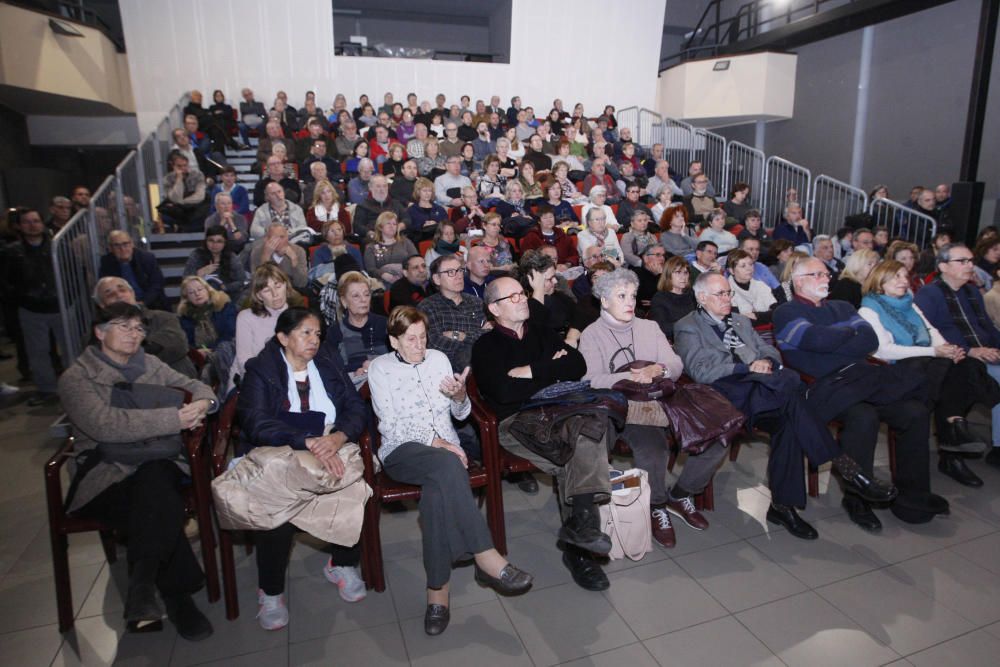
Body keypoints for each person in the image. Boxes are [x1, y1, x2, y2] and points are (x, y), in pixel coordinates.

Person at [675, 272, 896, 539]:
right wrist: (748, 367)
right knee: (792, 398)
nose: (727, 299)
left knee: (791, 422)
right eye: (720, 294)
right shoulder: (688, 326)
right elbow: (701, 371)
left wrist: (766, 362)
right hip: (727, 398)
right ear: (701, 297)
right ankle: (848, 470)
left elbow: (771, 351)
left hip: (766, 393)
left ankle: (783, 506)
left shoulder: (741, 321)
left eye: (728, 293)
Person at [367, 307, 533, 634]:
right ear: (393, 341)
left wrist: (460, 397)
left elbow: (459, 414)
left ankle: (437, 594)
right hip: (402, 451)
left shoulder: (439, 359)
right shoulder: (380, 368)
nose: (419, 345)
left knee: (436, 494)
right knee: (446, 463)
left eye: (423, 337)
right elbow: (390, 423)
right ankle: (486, 556)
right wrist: (436, 442)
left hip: (444, 456)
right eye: (410, 339)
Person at [58, 302, 217, 640]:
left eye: (139, 328)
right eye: (124, 326)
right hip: (106, 472)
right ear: (100, 332)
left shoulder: (150, 364)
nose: (134, 334)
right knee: (158, 500)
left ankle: (143, 584)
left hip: (156, 460)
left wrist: (203, 404)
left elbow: (197, 386)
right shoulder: (76, 378)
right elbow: (105, 426)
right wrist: (172, 419)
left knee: (155, 481)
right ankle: (178, 597)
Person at [775, 257, 947, 528]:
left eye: (826, 273)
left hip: (863, 380)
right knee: (866, 413)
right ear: (798, 281)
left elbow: (870, 340)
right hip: (827, 387)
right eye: (817, 274)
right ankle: (857, 498)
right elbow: (815, 341)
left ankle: (912, 499)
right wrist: (848, 334)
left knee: (915, 412)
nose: (826, 278)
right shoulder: (786, 311)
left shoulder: (842, 305)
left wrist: (836, 338)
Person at [472, 276, 617, 591]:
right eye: (512, 297)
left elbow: (577, 365)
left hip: (558, 412)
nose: (522, 298)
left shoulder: (540, 331)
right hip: (516, 422)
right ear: (494, 308)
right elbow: (504, 391)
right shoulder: (486, 346)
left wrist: (532, 371)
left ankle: (582, 532)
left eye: (522, 293)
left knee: (586, 432)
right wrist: (551, 368)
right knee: (580, 448)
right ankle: (580, 549)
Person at [236, 308, 367, 631]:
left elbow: (355, 407)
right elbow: (253, 421)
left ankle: (342, 563)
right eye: (305, 333)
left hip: (329, 443)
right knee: (277, 508)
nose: (314, 340)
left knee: (354, 489)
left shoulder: (326, 361)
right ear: (283, 337)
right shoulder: (262, 369)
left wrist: (337, 437)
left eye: (317, 334)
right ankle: (270, 591)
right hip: (280, 449)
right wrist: (304, 440)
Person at [579, 269, 730, 548]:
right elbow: (591, 379)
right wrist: (631, 377)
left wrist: (658, 368)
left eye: (633, 296)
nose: (630, 302)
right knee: (654, 450)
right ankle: (657, 505)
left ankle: (682, 493)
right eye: (621, 296)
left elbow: (675, 365)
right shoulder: (592, 335)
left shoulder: (648, 327)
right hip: (627, 407)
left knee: (717, 437)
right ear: (603, 301)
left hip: (664, 398)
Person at [859, 260, 997, 488]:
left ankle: (954, 423)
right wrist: (935, 351)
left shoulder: (909, 304)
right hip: (896, 372)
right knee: (955, 368)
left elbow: (930, 330)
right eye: (897, 277)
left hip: (925, 367)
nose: (904, 281)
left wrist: (947, 349)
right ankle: (955, 427)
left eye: (906, 276)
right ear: (880, 282)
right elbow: (884, 350)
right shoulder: (869, 309)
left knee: (966, 363)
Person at [916, 243, 1000, 470]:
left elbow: (987, 327)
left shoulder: (972, 291)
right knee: (970, 375)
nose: (970, 265)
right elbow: (928, 333)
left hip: (985, 352)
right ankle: (953, 451)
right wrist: (971, 350)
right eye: (962, 261)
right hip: (956, 356)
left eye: (971, 260)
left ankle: (992, 446)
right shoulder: (929, 293)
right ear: (943, 266)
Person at [4, 209, 64, 405]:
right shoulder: (12, 251)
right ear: (20, 226)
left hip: (59, 305)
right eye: (27, 222)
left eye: (36, 221)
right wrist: (20, 298)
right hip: (31, 308)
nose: (32, 225)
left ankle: (76, 386)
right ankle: (47, 389)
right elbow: (7, 280)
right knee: (38, 352)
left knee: (70, 348)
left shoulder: (57, 247)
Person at [92, 277, 196, 378]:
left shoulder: (163, 317)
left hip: (177, 382)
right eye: (110, 294)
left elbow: (177, 345)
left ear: (132, 293)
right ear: (102, 305)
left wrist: (126, 353)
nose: (119, 295)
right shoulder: (98, 333)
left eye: (122, 290)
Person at [419, 255, 489, 372]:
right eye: (451, 272)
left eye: (460, 270)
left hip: (482, 359)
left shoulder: (476, 302)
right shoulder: (427, 307)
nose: (459, 276)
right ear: (437, 279)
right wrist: (477, 337)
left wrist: (459, 336)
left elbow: (490, 334)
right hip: (447, 368)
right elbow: (435, 344)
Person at [231, 264, 291, 390]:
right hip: (251, 382)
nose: (275, 294)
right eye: (267, 290)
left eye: (278, 286)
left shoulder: (298, 315)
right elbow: (244, 363)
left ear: (286, 285)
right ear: (259, 296)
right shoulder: (246, 317)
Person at [333, 271, 388, 387]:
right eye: (356, 296)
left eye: (366, 294)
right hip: (353, 386)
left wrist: (374, 365)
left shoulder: (385, 324)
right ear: (344, 301)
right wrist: (355, 372)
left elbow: (399, 357)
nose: (363, 300)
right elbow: (334, 370)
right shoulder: (335, 332)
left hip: (387, 379)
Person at [99, 230, 167, 311]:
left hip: (150, 304)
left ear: (132, 244)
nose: (122, 249)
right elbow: (105, 287)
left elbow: (157, 284)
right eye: (117, 245)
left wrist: (142, 303)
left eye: (125, 244)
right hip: (121, 306)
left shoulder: (147, 258)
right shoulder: (106, 262)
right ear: (110, 248)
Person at [182, 225, 246, 302]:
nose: (215, 245)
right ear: (206, 241)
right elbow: (185, 280)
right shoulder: (196, 255)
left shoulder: (231, 257)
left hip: (227, 298)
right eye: (211, 240)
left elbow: (241, 281)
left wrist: (224, 287)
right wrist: (199, 274)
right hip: (200, 298)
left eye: (219, 241)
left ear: (225, 243)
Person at [177, 276, 236, 351]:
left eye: (200, 289)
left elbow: (231, 334)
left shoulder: (224, 306)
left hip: (226, 350)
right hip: (199, 355)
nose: (197, 294)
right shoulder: (185, 316)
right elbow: (187, 342)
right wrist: (198, 351)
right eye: (191, 292)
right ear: (186, 298)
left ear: (208, 290)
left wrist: (211, 349)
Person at [363, 211, 419, 286]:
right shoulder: (371, 247)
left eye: (394, 224)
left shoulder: (405, 242)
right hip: (384, 281)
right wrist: (382, 274)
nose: (392, 226)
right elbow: (371, 269)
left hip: (407, 278)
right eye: (388, 223)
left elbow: (416, 259)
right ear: (380, 227)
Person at [158, 153, 209, 232]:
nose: (182, 168)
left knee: (206, 201)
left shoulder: (198, 175)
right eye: (179, 166)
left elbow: (200, 196)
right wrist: (179, 179)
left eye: (185, 165)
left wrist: (181, 202)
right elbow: (174, 198)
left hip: (194, 205)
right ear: (173, 166)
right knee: (165, 211)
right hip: (178, 209)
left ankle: (184, 229)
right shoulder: (168, 179)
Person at [353, 175, 412, 242]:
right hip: (374, 239)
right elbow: (357, 226)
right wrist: (371, 233)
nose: (382, 189)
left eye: (384, 186)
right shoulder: (363, 206)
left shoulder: (396, 203)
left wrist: (398, 227)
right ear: (370, 187)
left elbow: (407, 219)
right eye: (378, 186)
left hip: (396, 237)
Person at [250, 182, 312, 246]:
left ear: (284, 192)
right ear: (267, 197)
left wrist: (288, 233)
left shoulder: (297, 209)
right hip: (270, 243)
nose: (278, 196)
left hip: (293, 242)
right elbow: (253, 231)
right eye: (273, 193)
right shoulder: (261, 210)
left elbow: (303, 227)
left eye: (279, 191)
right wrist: (270, 232)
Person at [248, 223, 308, 290]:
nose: (279, 241)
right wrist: (265, 258)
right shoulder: (257, 252)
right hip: (267, 292)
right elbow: (256, 285)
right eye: (274, 238)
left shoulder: (299, 251)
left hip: (292, 291)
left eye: (282, 237)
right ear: (266, 239)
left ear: (287, 237)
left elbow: (302, 283)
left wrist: (294, 260)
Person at [650, 256, 697, 340]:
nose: (683, 277)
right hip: (673, 342)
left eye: (685, 273)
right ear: (668, 275)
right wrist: (688, 325)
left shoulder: (692, 294)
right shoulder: (660, 298)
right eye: (678, 272)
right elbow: (662, 328)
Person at [726, 248, 777, 323]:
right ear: (731, 270)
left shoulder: (760, 285)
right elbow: (737, 322)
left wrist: (756, 316)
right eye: (743, 266)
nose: (749, 269)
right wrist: (766, 315)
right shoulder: (727, 290)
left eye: (750, 264)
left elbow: (776, 313)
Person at [309, 220, 364, 286]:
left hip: (352, 282)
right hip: (328, 283)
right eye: (332, 231)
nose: (337, 234)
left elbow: (361, 270)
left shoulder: (353, 249)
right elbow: (316, 274)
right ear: (325, 235)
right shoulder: (320, 251)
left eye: (339, 230)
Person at [204, 189, 249, 253]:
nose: (227, 206)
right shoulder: (210, 220)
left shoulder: (240, 218)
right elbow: (212, 240)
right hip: (216, 249)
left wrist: (231, 223)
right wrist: (222, 222)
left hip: (237, 249)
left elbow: (241, 240)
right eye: (223, 204)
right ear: (216, 206)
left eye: (229, 203)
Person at [407, 177, 449, 243]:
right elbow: (410, 231)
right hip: (421, 242)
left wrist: (436, 224)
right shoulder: (411, 210)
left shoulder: (439, 209)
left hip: (440, 241)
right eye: (424, 191)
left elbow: (447, 226)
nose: (427, 193)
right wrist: (422, 226)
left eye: (429, 191)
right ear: (418, 192)